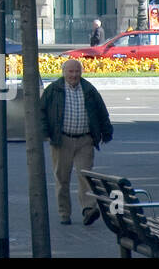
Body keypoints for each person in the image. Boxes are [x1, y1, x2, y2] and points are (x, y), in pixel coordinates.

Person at [39, 57, 114, 225]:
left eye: (77, 71)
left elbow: (102, 111)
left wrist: (106, 132)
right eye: (71, 71)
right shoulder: (53, 90)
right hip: (62, 140)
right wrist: (45, 133)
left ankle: (89, 209)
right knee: (62, 178)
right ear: (64, 72)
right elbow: (41, 112)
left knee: (86, 176)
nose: (74, 75)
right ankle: (64, 213)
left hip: (85, 140)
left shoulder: (88, 89)